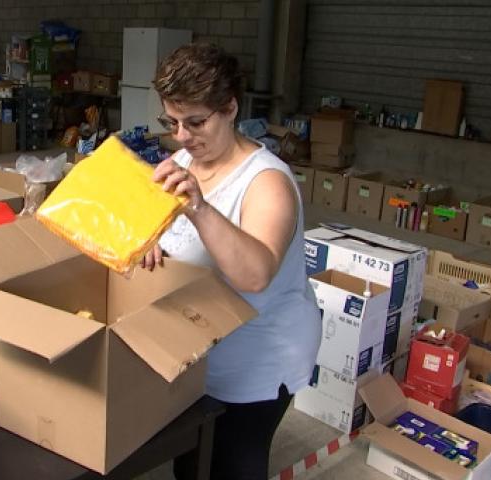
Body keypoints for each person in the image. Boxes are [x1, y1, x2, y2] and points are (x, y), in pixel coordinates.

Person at [144, 43, 321, 480]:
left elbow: (255, 274)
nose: (182, 136)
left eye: (196, 122)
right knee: (191, 462)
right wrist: (145, 241)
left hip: (257, 357)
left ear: (230, 109)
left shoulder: (266, 182)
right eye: (172, 122)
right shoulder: (183, 161)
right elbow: (160, 231)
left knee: (232, 463)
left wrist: (200, 208)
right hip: (197, 347)